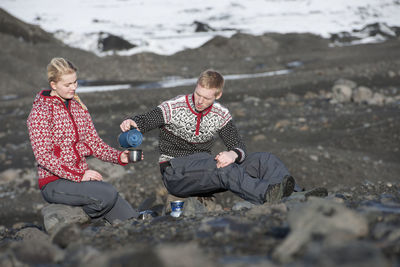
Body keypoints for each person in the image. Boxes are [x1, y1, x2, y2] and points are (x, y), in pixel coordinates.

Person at [120, 69, 313, 206]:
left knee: (265, 160)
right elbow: (145, 120)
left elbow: (238, 145)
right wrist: (131, 122)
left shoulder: (221, 115)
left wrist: (233, 155)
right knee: (224, 169)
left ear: (218, 95)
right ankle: (268, 196)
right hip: (175, 171)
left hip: (206, 168)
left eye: (206, 97)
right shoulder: (173, 107)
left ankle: (298, 196)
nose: (200, 100)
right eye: (197, 94)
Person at [27, 57, 139, 224]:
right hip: (54, 182)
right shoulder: (40, 112)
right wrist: (79, 175)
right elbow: (44, 156)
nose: (73, 88)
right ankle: (77, 219)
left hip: (80, 179)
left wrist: (119, 157)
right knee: (106, 193)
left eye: (75, 82)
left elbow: (94, 143)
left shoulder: (78, 106)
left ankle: (105, 220)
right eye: (68, 85)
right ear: (53, 85)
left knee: (132, 220)